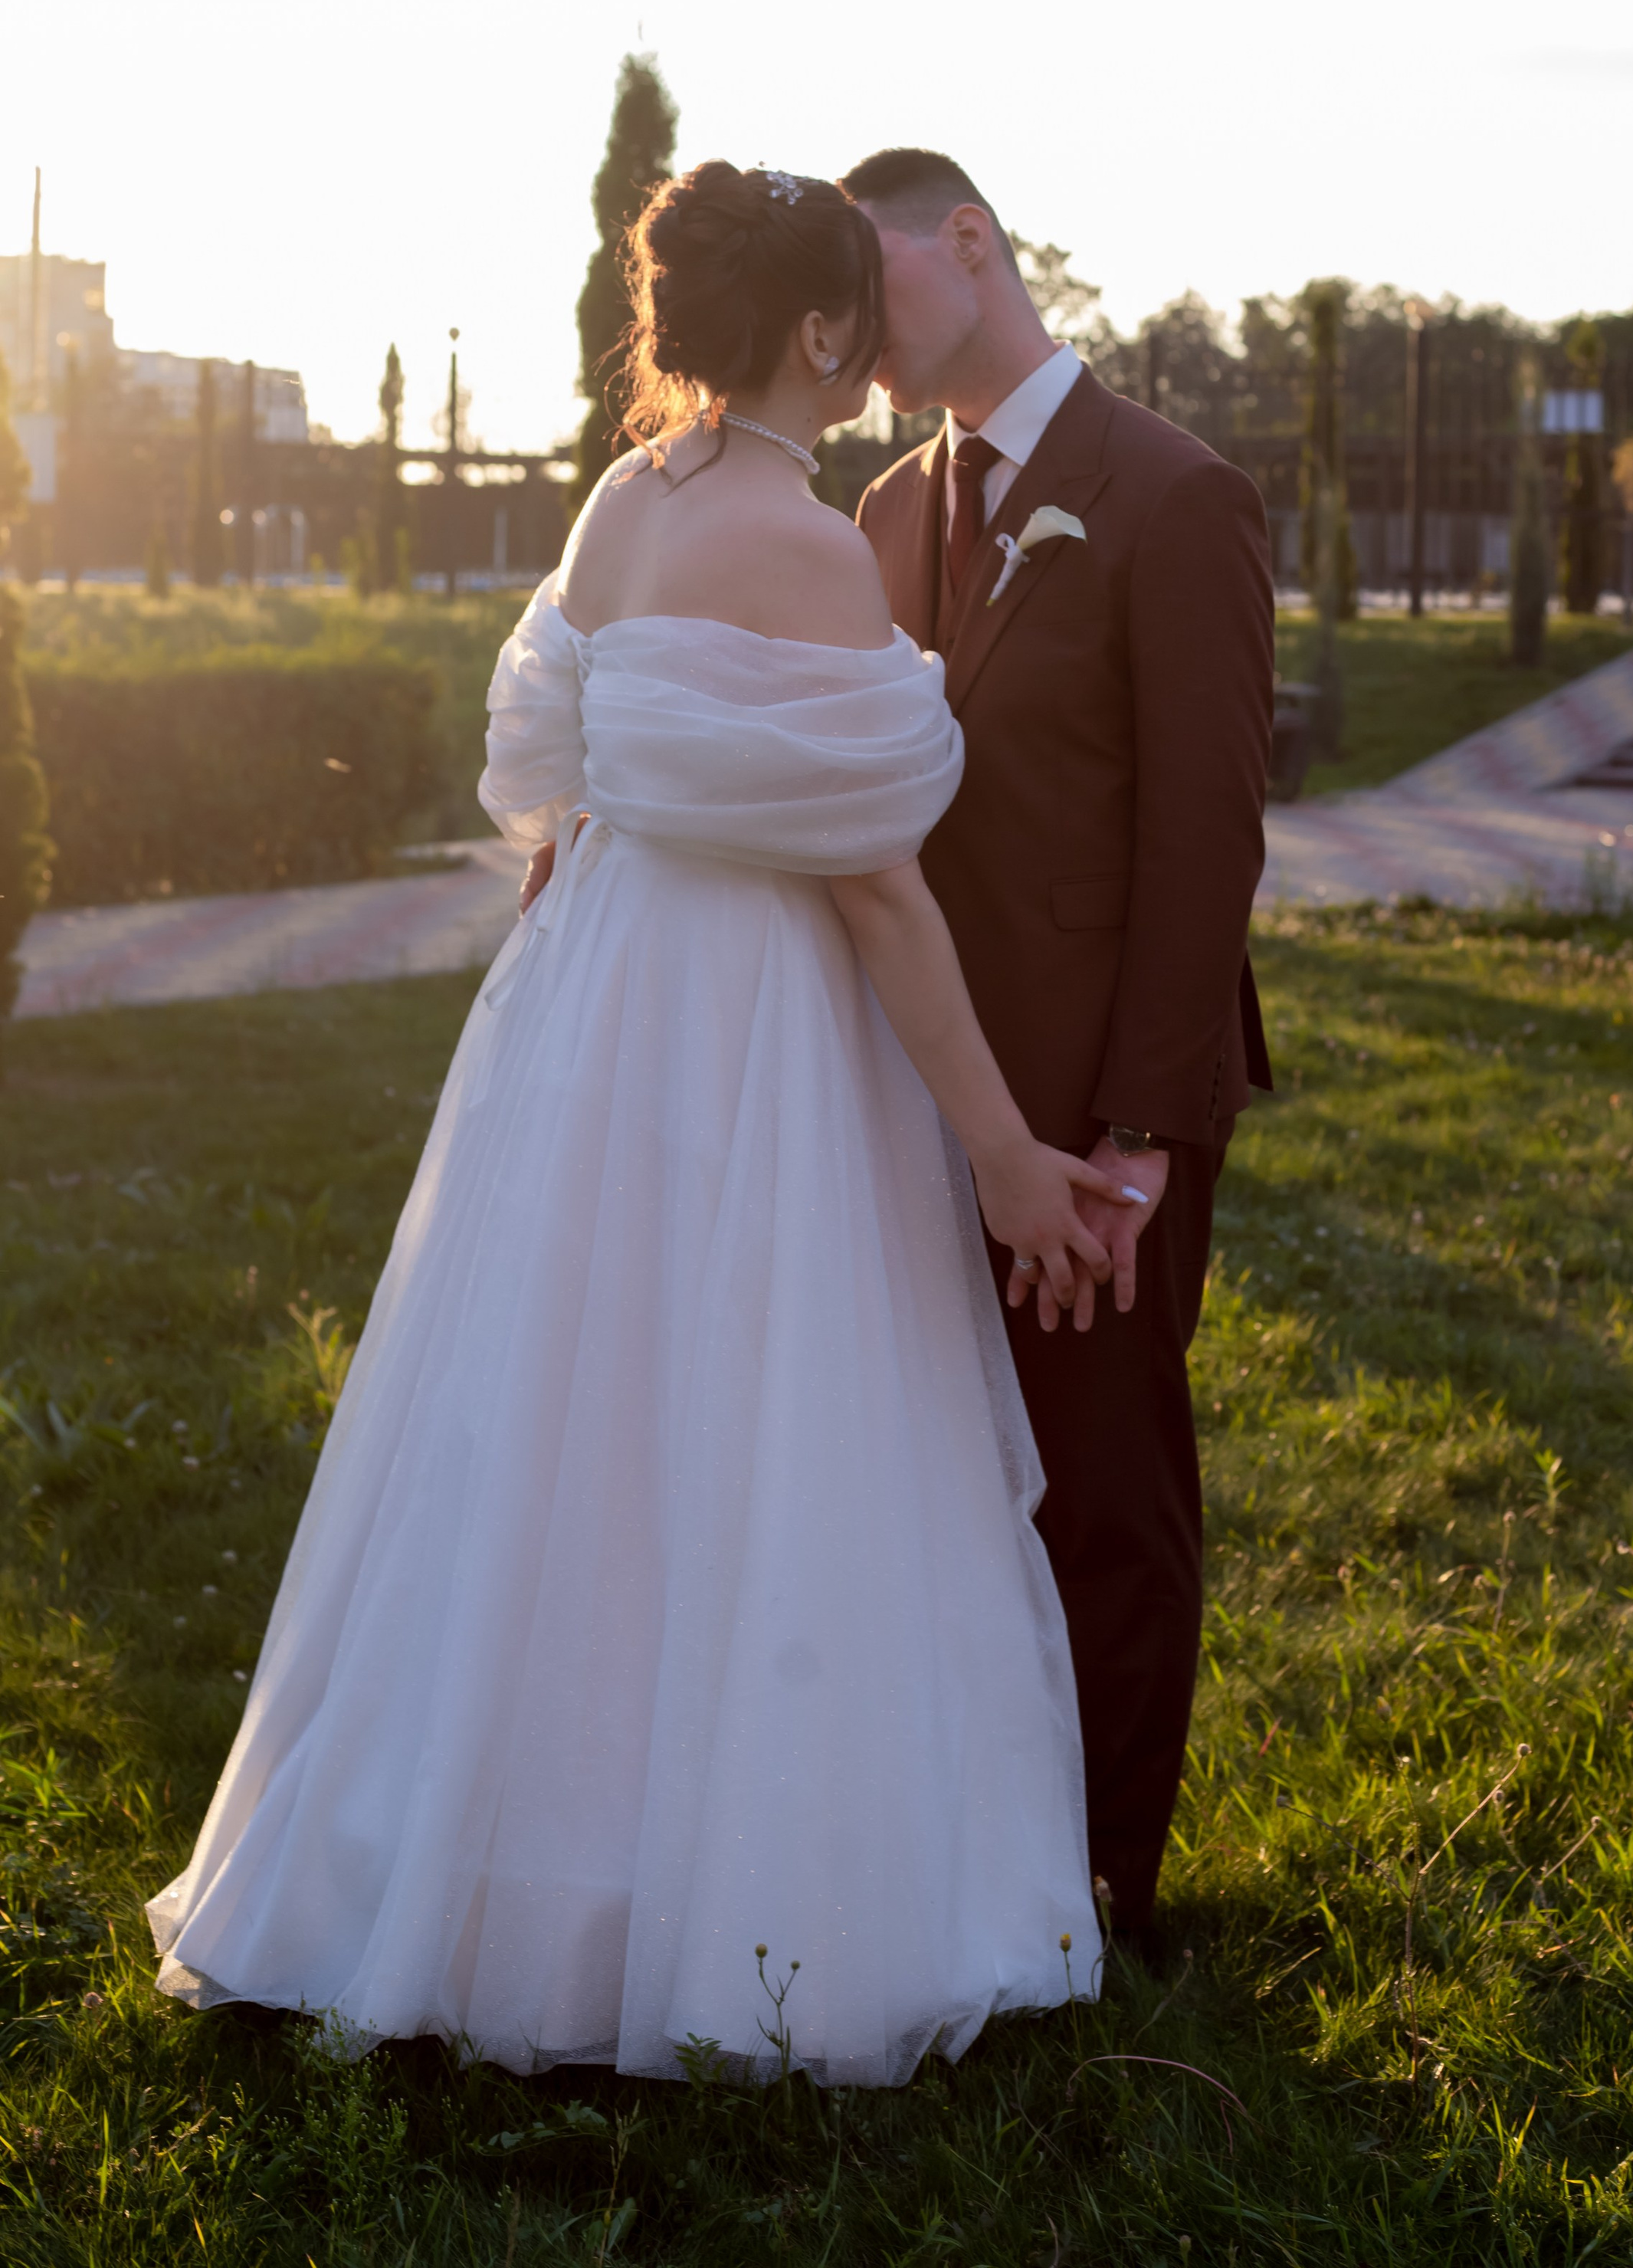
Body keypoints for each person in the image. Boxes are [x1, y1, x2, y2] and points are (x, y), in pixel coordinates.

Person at [148, 162, 1125, 2087]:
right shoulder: (811, 543)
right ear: (825, 329)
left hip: (593, 1001)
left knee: (554, 1432)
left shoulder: (617, 504)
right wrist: (1005, 1148)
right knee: (752, 1426)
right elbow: (875, 890)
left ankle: (492, 1871)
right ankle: (738, 1916)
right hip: (755, 1024)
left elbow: (549, 795)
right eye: (858, 327)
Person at [844, 147, 1274, 1958]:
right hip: (911, 1093)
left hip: (1094, 1111)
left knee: (1099, 1486)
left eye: (875, 293)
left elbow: (1204, 843)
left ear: (969, 243)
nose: (854, 339)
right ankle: (969, 1849)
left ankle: (1108, 1887)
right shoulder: (876, 512)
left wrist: (1137, 1135)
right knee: (939, 1478)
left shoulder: (1172, 498)